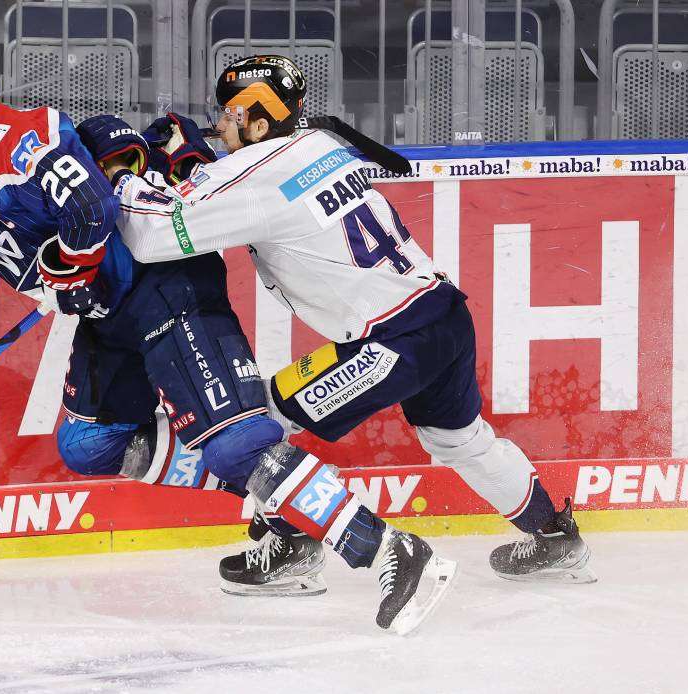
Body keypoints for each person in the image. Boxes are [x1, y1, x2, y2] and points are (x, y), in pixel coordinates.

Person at [0, 66, 455, 634]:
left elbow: (91, 208)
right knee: (89, 443)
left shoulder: (27, 143)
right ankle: (287, 510)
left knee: (236, 443)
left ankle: (390, 549)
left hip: (165, 288)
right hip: (108, 314)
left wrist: (73, 262)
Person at [86, 54, 595, 592]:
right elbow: (245, 193)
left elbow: (152, 235)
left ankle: (293, 544)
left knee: (257, 426)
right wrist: (196, 167)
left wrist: (123, 176)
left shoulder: (256, 176)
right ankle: (556, 537)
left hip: (390, 342)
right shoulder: (321, 149)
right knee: (462, 442)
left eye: (230, 115)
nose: (220, 125)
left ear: (260, 121)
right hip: (443, 315)